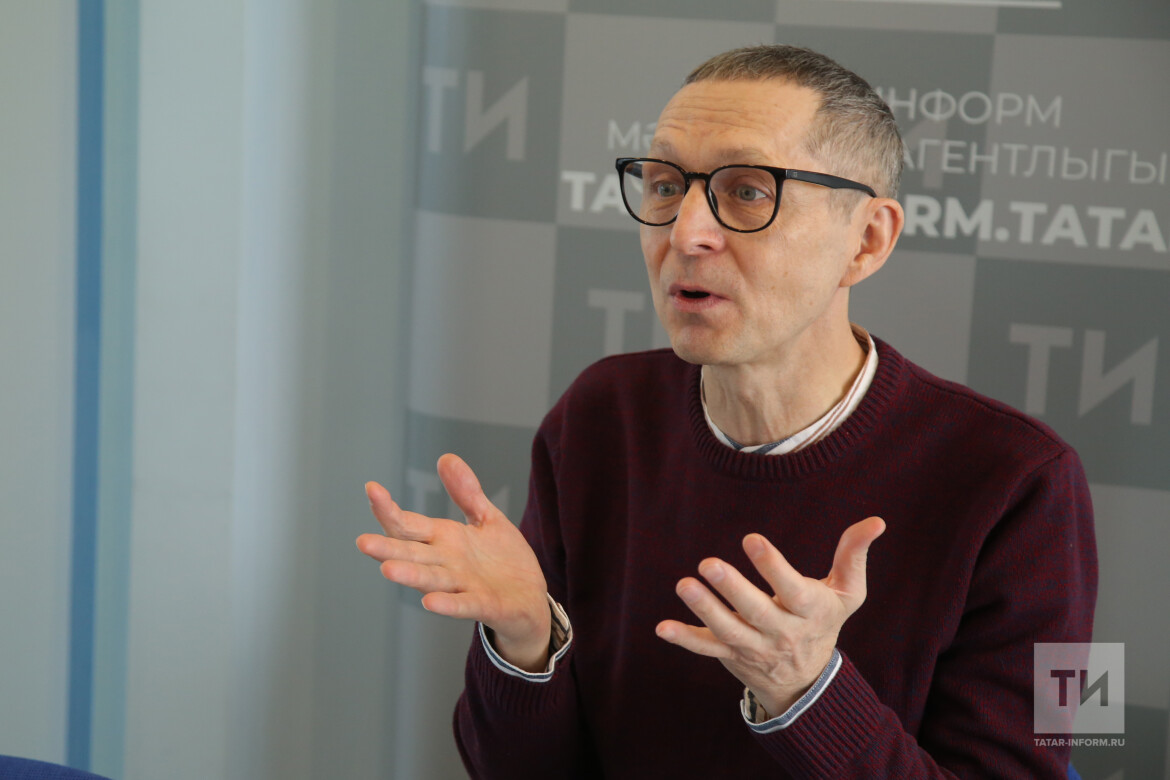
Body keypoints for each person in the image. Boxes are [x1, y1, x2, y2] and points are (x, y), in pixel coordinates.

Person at [357, 44, 1096, 778]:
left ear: (866, 240)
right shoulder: (600, 416)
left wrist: (808, 693)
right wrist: (525, 644)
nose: (685, 233)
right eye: (664, 185)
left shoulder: (1025, 479)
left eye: (747, 191)